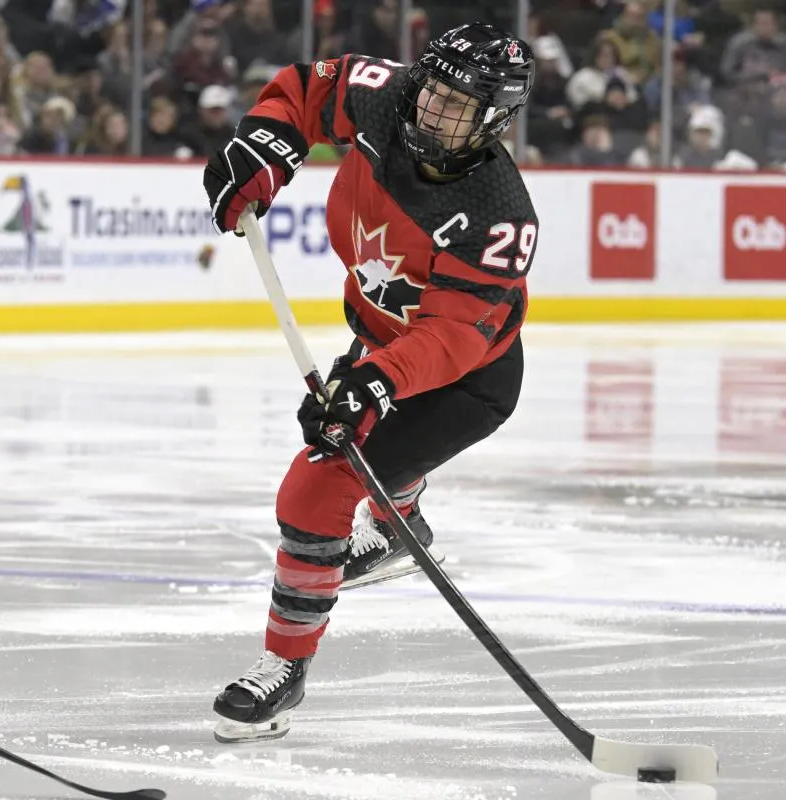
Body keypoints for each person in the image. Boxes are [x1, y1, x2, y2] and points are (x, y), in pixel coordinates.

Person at [201, 22, 539, 743]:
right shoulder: (387, 96)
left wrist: (373, 385)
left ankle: (284, 667)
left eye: (458, 106)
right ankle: (399, 526)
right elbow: (304, 90)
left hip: (465, 382)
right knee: (371, 444)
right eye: (433, 91)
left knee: (316, 487)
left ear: (495, 121)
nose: (433, 111)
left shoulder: (498, 214)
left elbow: (452, 336)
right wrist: (264, 144)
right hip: (385, 342)